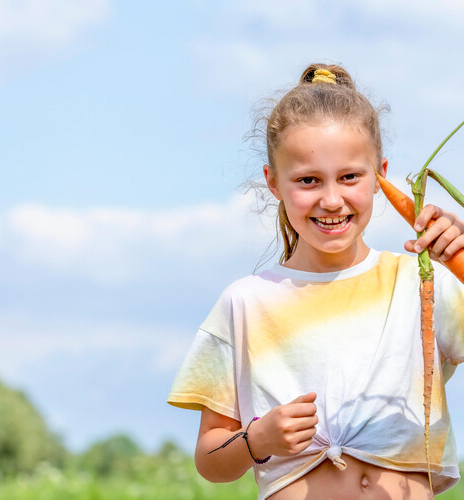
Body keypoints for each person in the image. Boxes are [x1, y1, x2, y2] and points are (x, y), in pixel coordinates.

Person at [167, 63, 464, 499]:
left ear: (380, 175)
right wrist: (259, 439)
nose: (331, 199)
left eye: (350, 177)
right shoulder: (246, 303)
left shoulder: (422, 283)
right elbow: (210, 460)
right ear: (274, 184)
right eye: (308, 180)